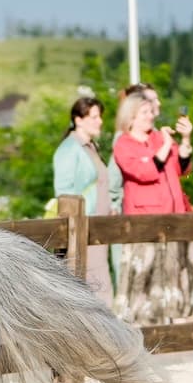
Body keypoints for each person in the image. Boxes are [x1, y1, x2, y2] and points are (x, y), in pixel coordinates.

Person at [110, 87, 193, 325]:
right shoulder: (124, 144)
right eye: (145, 112)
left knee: (170, 270)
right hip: (144, 218)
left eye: (151, 111)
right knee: (143, 271)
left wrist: (186, 141)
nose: (151, 116)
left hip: (172, 215)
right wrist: (166, 147)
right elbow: (143, 171)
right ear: (131, 117)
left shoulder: (159, 138)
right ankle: (137, 319)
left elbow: (183, 169)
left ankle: (171, 315)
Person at [49, 94, 113, 300]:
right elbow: (64, 192)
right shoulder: (69, 149)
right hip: (84, 224)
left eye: (100, 116)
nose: (100, 121)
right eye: (94, 117)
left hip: (98, 224)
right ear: (78, 120)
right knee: (93, 283)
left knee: (99, 280)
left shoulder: (91, 148)